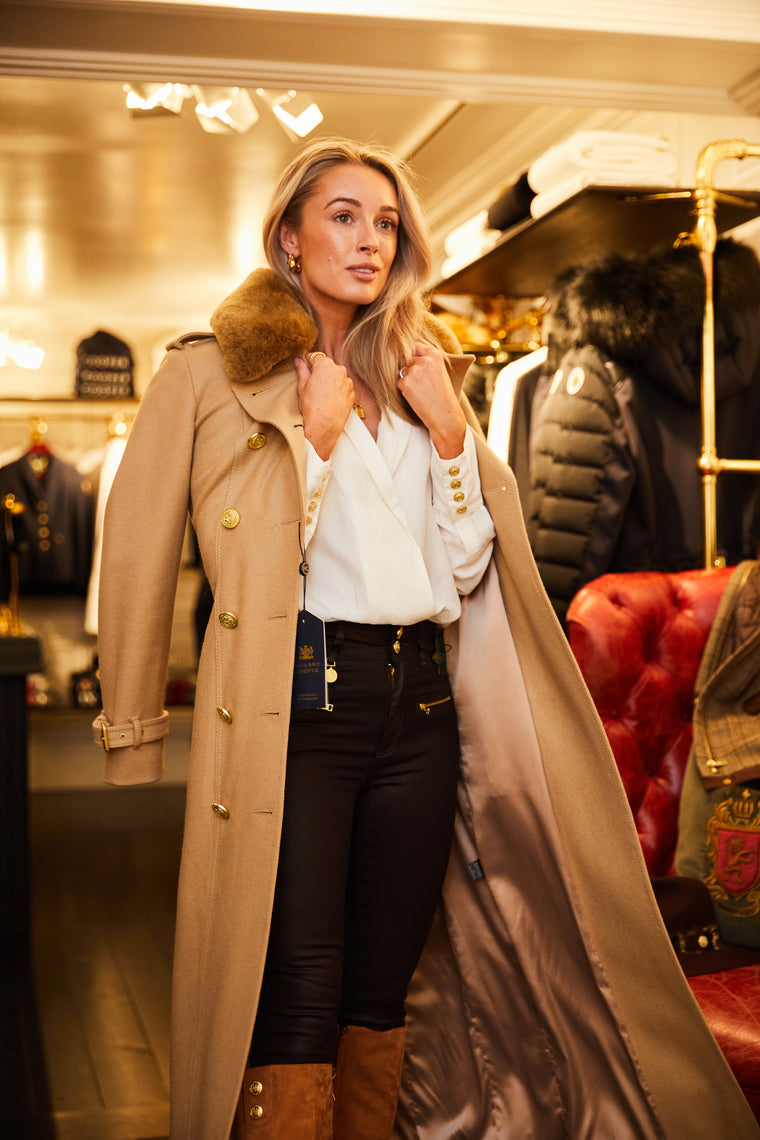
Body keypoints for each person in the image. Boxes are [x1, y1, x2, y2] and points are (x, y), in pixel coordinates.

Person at [93, 138, 760, 1140]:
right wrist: (316, 444)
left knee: (383, 984)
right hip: (300, 706)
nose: (370, 240)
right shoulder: (212, 373)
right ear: (288, 236)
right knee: (297, 984)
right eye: (343, 216)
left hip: (421, 705)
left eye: (386, 223)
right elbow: (181, 554)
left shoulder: (419, 373)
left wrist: (451, 439)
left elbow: (464, 569)